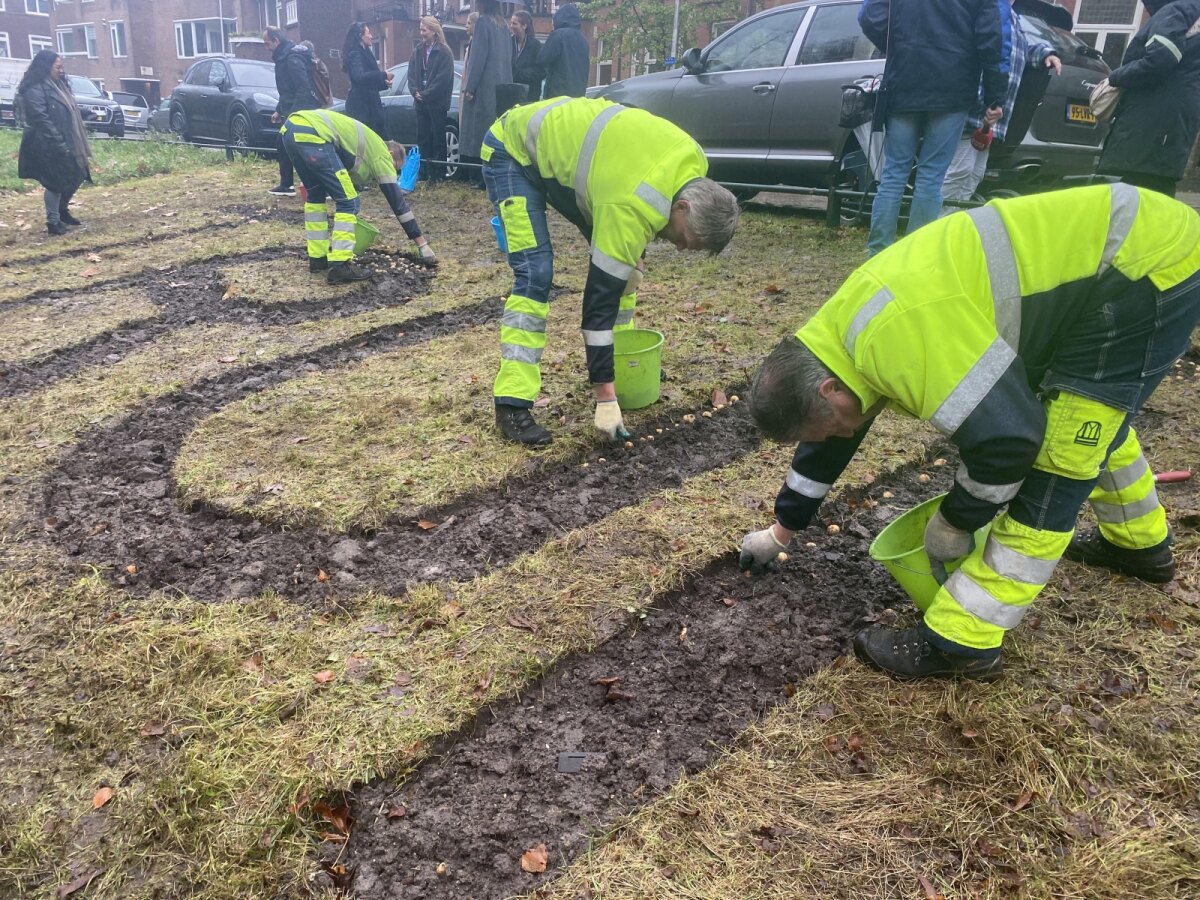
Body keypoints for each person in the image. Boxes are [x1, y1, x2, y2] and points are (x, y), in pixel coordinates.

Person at [739, 184, 1200, 682]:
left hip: (1140, 272)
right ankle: (1139, 545)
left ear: (829, 390)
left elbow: (1008, 441)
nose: (834, 436)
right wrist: (780, 530)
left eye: (827, 429)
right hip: (1102, 272)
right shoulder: (832, 341)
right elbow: (830, 437)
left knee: (1064, 454)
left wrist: (956, 522)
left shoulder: (900, 338)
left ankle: (963, 640)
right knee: (1088, 420)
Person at [482, 97, 740, 446]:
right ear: (682, 206)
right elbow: (597, 307)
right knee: (535, 274)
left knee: (627, 267)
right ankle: (511, 402)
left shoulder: (692, 162)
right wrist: (605, 397)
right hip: (514, 151)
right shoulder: (632, 204)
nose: (680, 247)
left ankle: (623, 361)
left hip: (593, 172)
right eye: (686, 239)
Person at [858, 0, 1010, 255]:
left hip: (904, 82)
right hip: (953, 88)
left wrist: (900, 41)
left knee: (894, 173)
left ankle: (878, 253)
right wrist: (996, 95)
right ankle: (917, 255)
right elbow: (994, 36)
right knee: (931, 176)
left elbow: (868, 15)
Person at [281, 108, 436, 283]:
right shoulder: (382, 154)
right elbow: (398, 203)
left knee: (315, 196)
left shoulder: (366, 145)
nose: (391, 174)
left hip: (291, 129)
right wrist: (422, 244)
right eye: (394, 168)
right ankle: (340, 266)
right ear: (391, 154)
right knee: (349, 201)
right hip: (314, 133)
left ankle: (318, 259)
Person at [943, 1, 1061, 202]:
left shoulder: (1013, 19)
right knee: (958, 171)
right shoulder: (983, 11)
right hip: (975, 111)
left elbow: (1023, 48)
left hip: (993, 117)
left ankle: (953, 218)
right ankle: (934, 224)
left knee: (975, 173)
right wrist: (982, 102)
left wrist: (1045, 53)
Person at [1096, 0, 1200, 198]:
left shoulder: (1176, 10)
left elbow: (1162, 56)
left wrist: (1116, 77)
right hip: (1177, 119)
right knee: (1159, 189)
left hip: (1150, 118)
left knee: (1130, 189)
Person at [17, 50, 91, 235]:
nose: (60, 70)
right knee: (55, 182)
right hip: (46, 143)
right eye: (57, 67)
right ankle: (53, 222)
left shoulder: (58, 85)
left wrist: (82, 113)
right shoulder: (35, 89)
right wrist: (58, 143)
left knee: (79, 172)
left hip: (66, 137)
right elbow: (41, 119)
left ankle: (61, 210)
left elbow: (64, 108)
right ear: (45, 67)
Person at [263, 27, 324, 197]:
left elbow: (302, 89)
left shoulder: (291, 58)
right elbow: (287, 90)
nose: (266, 47)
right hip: (292, 109)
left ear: (276, 40)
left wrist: (292, 116)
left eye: (267, 43)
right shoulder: (283, 57)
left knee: (301, 149)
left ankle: (316, 186)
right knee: (284, 146)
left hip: (300, 112)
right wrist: (278, 110)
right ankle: (288, 185)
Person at [460, 0, 513, 188]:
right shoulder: (505, 26)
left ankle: (482, 179)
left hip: (484, 88)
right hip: (501, 88)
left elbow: (478, 57)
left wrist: (470, 88)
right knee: (496, 134)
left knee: (479, 134)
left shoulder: (483, 23)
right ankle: (495, 176)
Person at [409, 16, 455, 182]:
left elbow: (443, 79)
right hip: (420, 102)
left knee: (437, 138)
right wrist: (415, 91)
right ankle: (424, 172)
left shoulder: (444, 52)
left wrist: (426, 94)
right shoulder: (417, 50)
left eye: (424, 30)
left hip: (437, 103)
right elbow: (411, 75)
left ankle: (438, 174)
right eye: (420, 30)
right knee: (423, 137)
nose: (422, 33)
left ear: (434, 31)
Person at [342, 22, 392, 138]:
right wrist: (383, 74)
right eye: (368, 33)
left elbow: (368, 81)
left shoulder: (366, 52)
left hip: (370, 107)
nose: (371, 36)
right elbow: (359, 77)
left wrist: (384, 83)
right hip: (362, 110)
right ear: (360, 35)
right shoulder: (355, 53)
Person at [538, 2, 589, 99]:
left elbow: (543, 59)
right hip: (578, 92)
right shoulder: (583, 39)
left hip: (558, 91)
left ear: (559, 19)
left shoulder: (558, 35)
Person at [510, 9, 543, 104]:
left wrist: (519, 73)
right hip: (511, 93)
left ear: (524, 26)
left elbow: (540, 71)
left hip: (530, 95)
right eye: (511, 23)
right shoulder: (508, 42)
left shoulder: (535, 45)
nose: (511, 26)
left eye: (515, 23)